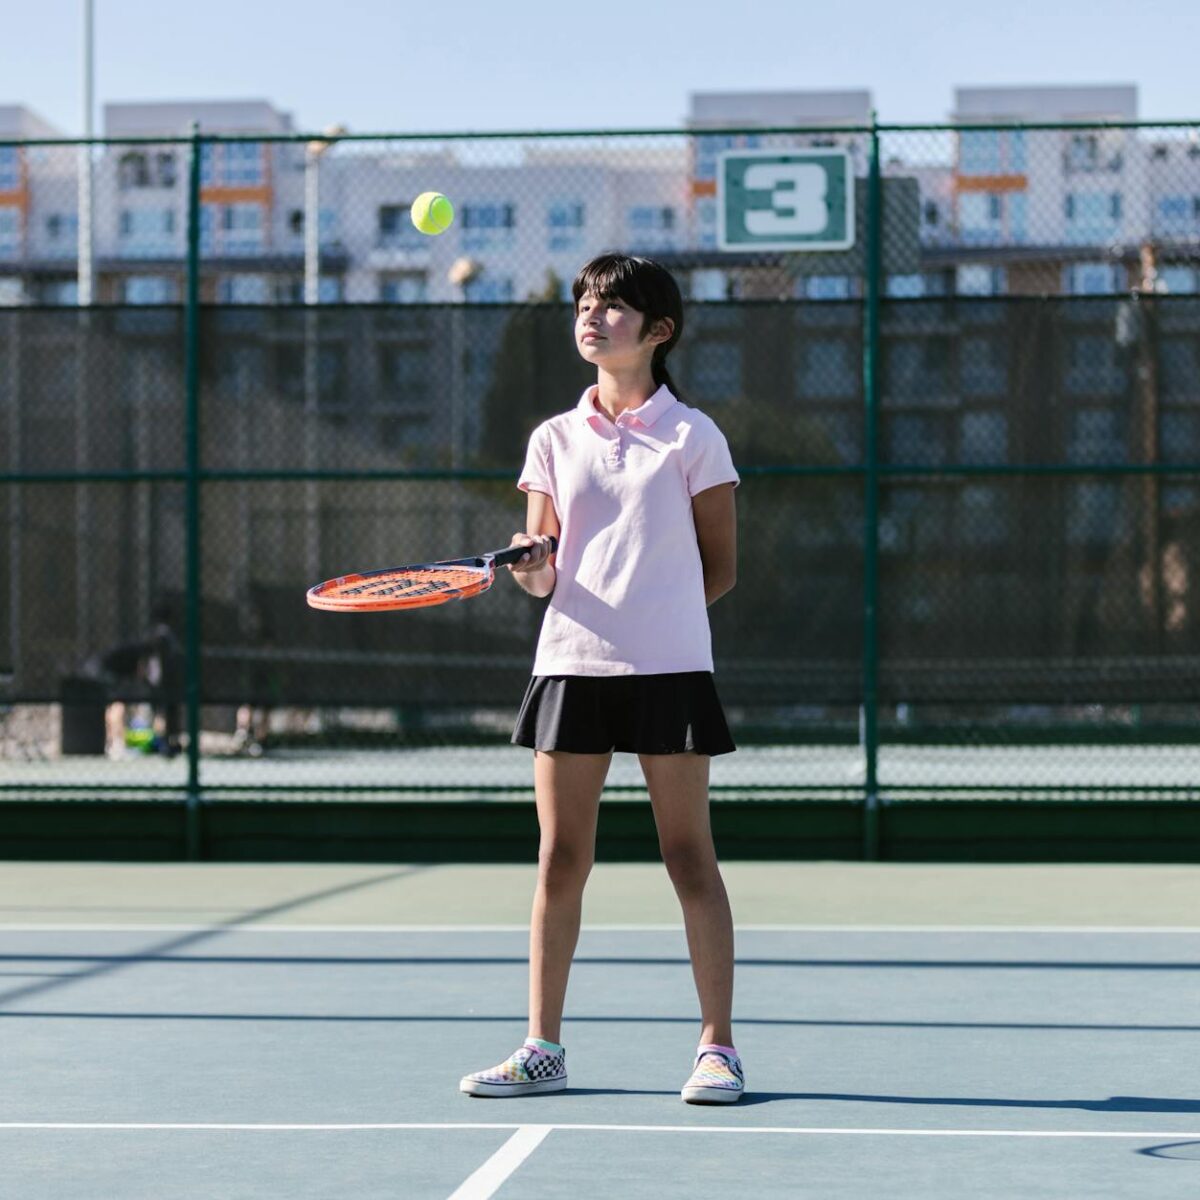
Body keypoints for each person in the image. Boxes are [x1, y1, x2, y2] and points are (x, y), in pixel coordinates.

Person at [459, 254, 742, 1105]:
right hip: (570, 667)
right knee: (559, 859)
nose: (591, 314)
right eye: (585, 302)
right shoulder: (553, 437)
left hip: (669, 670)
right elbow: (542, 569)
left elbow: (719, 568)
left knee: (688, 855)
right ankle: (542, 1047)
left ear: (659, 331)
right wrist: (534, 569)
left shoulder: (694, 436)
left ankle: (717, 1048)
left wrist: (651, 616)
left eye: (612, 305)